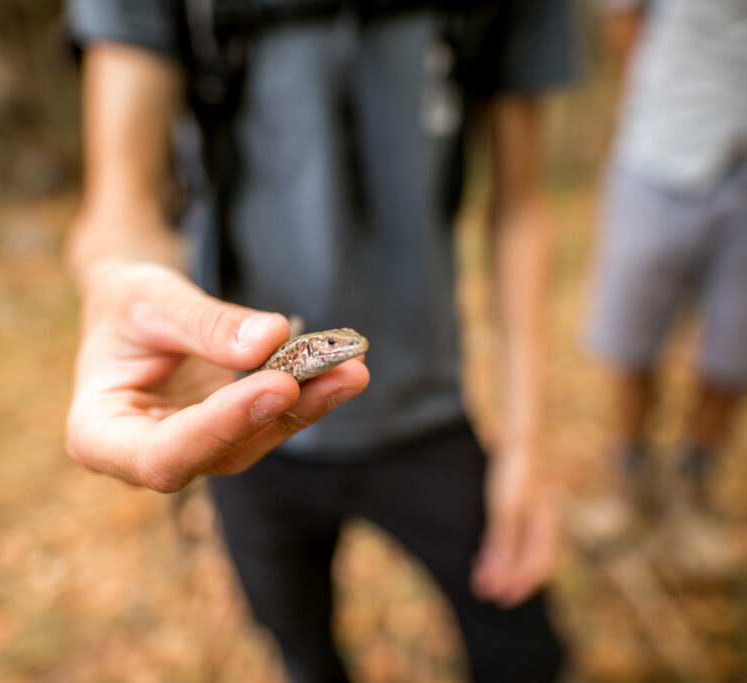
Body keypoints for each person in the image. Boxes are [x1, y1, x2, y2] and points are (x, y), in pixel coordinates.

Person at [64, 0, 576, 679]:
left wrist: (526, 444)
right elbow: (119, 201)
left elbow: (521, 204)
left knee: (523, 653)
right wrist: (120, 288)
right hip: (240, 424)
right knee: (301, 653)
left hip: (429, 409)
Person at [587, 0, 747, 573]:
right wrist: (648, 103)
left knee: (740, 347)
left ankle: (693, 487)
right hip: (665, 141)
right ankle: (626, 476)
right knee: (629, 330)